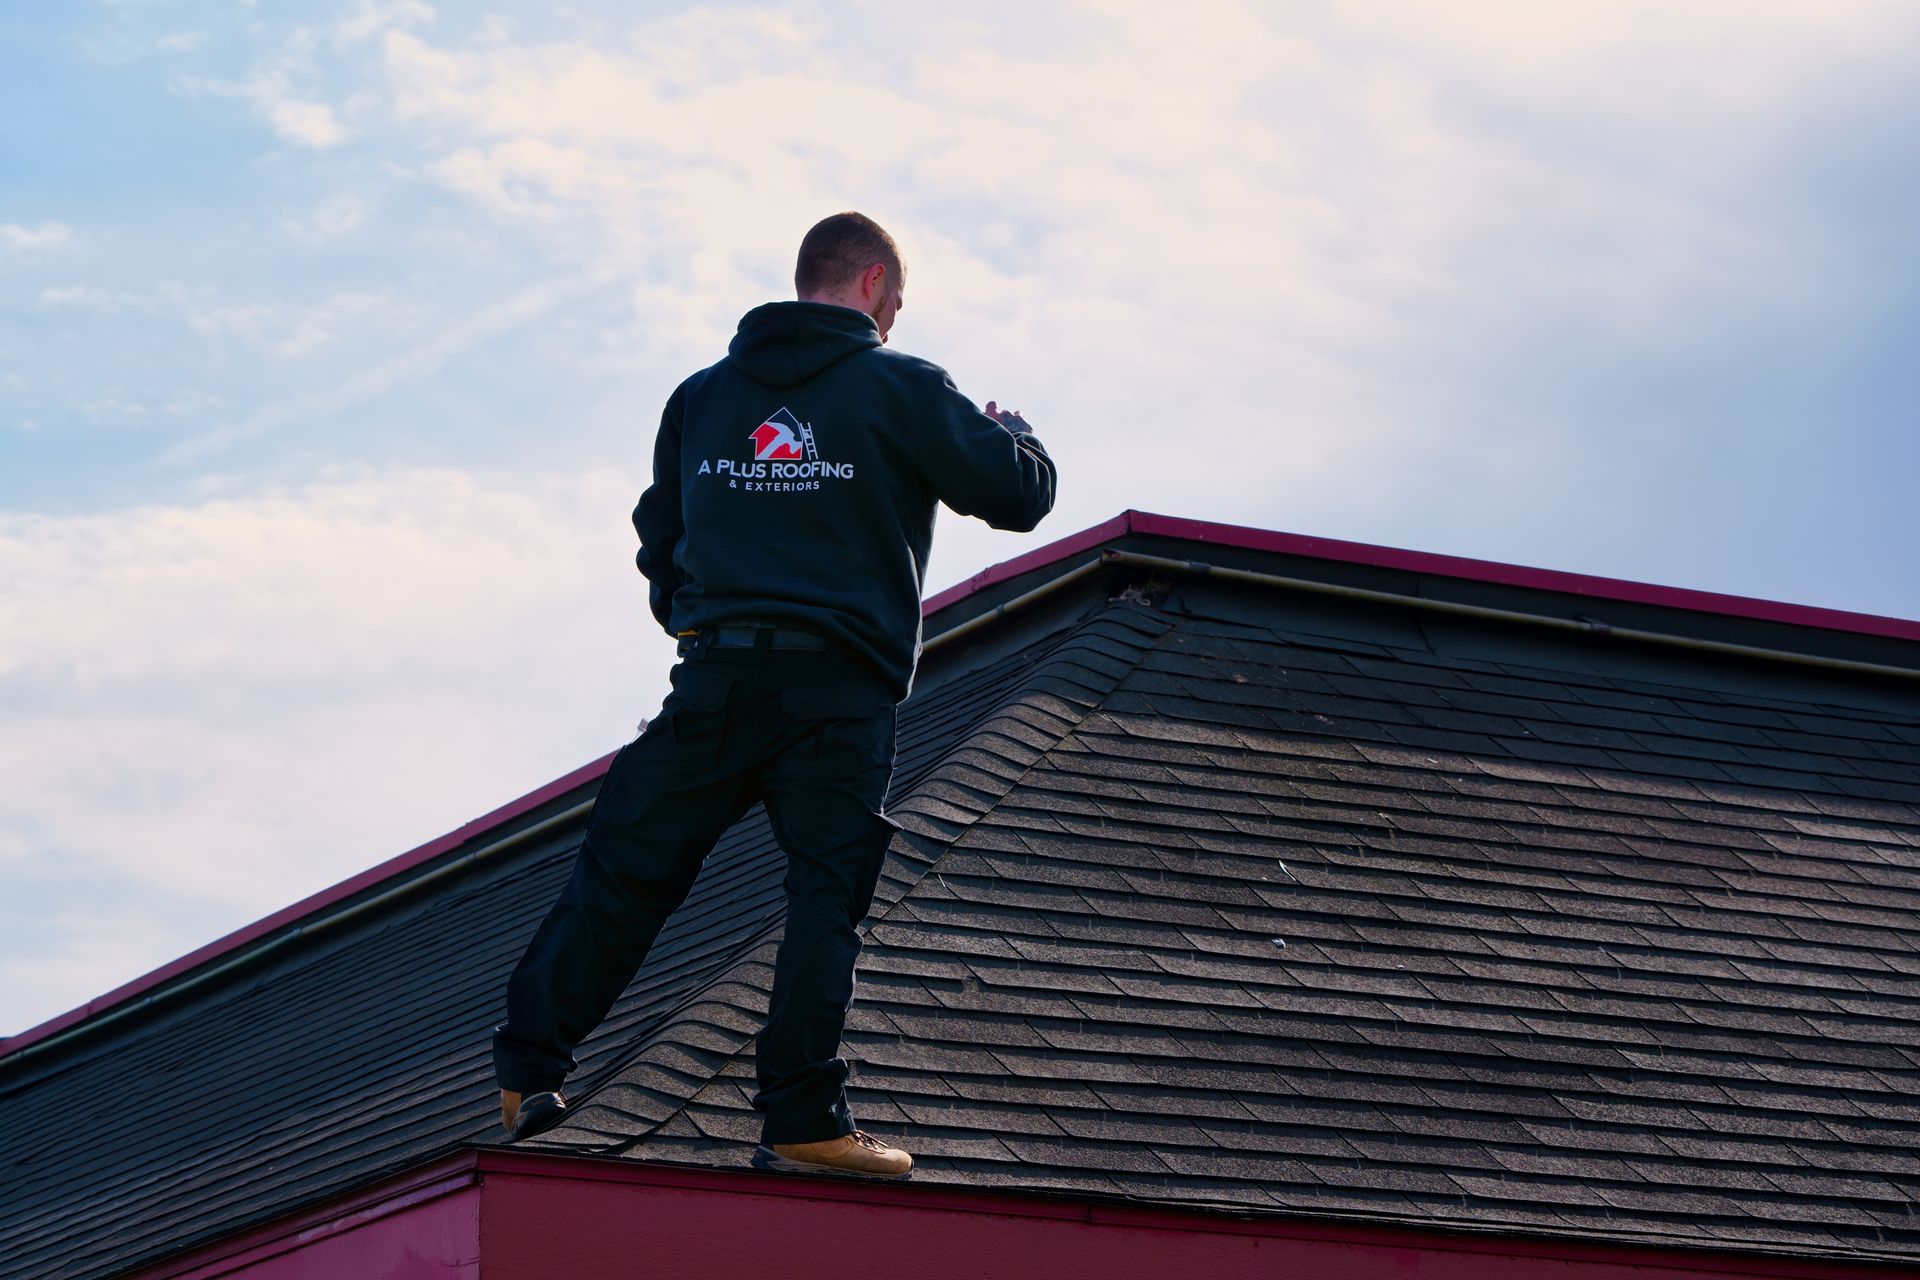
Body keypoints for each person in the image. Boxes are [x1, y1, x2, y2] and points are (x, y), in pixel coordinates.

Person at [491, 212, 1057, 1180]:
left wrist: (694, 616)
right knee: (824, 899)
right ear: (875, 280)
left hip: (717, 671)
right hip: (838, 691)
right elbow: (1019, 496)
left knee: (626, 867)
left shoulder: (701, 398)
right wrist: (1018, 434)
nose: (895, 315)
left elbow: (657, 532)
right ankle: (802, 1117)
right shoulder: (902, 384)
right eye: (899, 298)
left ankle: (527, 1072)